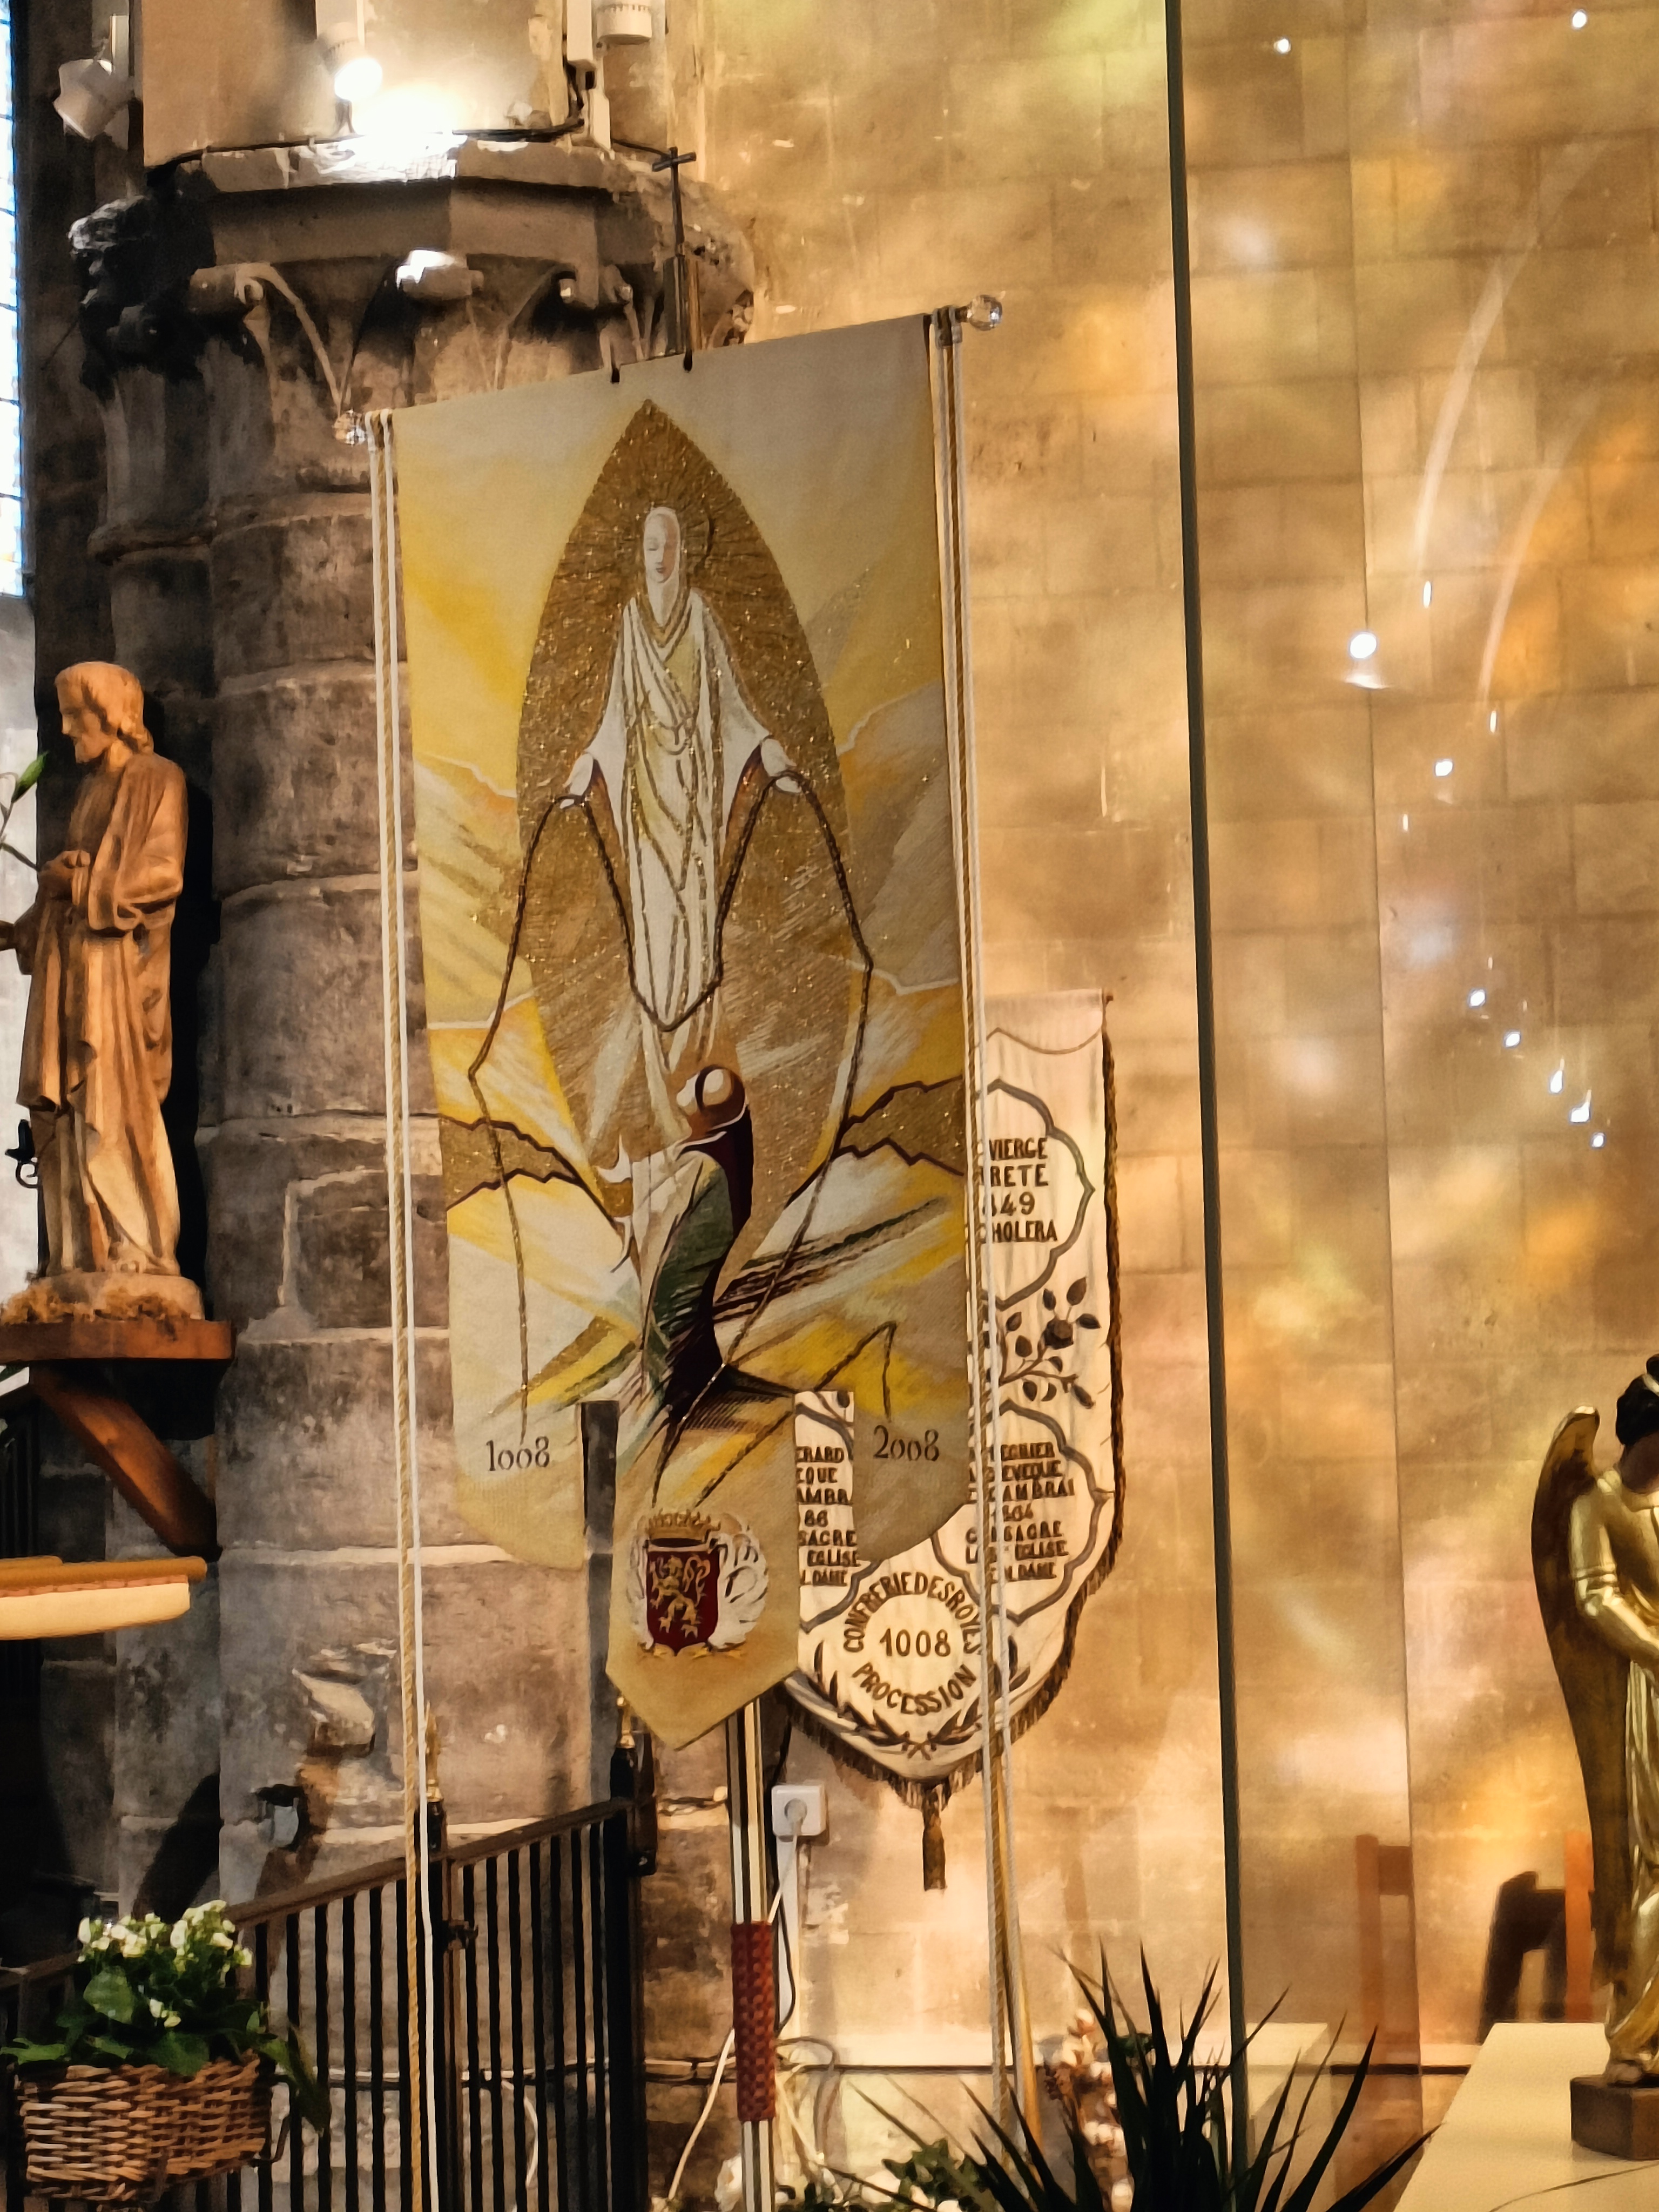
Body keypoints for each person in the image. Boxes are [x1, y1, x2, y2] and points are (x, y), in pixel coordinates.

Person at [560, 503, 797, 1135]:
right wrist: (588, 766)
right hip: (646, 824)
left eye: (669, 545)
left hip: (694, 817)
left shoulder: (701, 620)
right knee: (654, 951)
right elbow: (615, 721)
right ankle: (660, 1107)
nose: (660, 557)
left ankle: (700, 1089)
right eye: (651, 546)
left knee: (695, 946)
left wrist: (765, 751)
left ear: (685, 550)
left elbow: (732, 709)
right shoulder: (630, 628)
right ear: (639, 555)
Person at [0, 662, 195, 1316]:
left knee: (109, 1106)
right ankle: (77, 1253)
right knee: (62, 1112)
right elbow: (63, 892)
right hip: (68, 972)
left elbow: (161, 875)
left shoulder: (156, 779)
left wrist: (79, 884)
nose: (65, 729)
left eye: (75, 715)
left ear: (110, 715)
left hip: (113, 981)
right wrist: (19, 930)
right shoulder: (90, 792)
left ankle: (134, 1245)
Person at [1559, 1360, 1659, 2077]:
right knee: (1655, 1871)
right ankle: (1634, 2038)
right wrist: (1657, 1651)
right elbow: (1595, 1598)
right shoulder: (1596, 1504)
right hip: (1651, 1696)